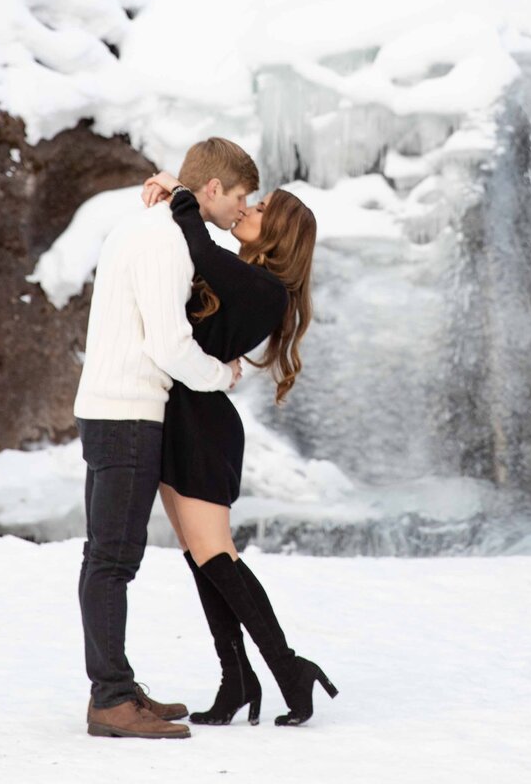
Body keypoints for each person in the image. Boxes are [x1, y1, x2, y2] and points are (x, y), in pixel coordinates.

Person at [73, 137, 259, 739]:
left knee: (106, 556)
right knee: (113, 560)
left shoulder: (147, 226)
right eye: (240, 196)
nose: (241, 208)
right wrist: (222, 376)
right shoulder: (166, 242)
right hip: (128, 412)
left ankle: (117, 688)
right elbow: (169, 344)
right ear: (212, 190)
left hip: (111, 408)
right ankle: (111, 700)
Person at [141, 169, 339, 727]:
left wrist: (181, 192)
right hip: (184, 414)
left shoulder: (266, 289)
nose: (247, 208)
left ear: (278, 232)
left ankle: (286, 668)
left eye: (262, 208)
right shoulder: (247, 279)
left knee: (215, 554)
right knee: (202, 558)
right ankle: (237, 680)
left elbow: (199, 245)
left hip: (203, 424)